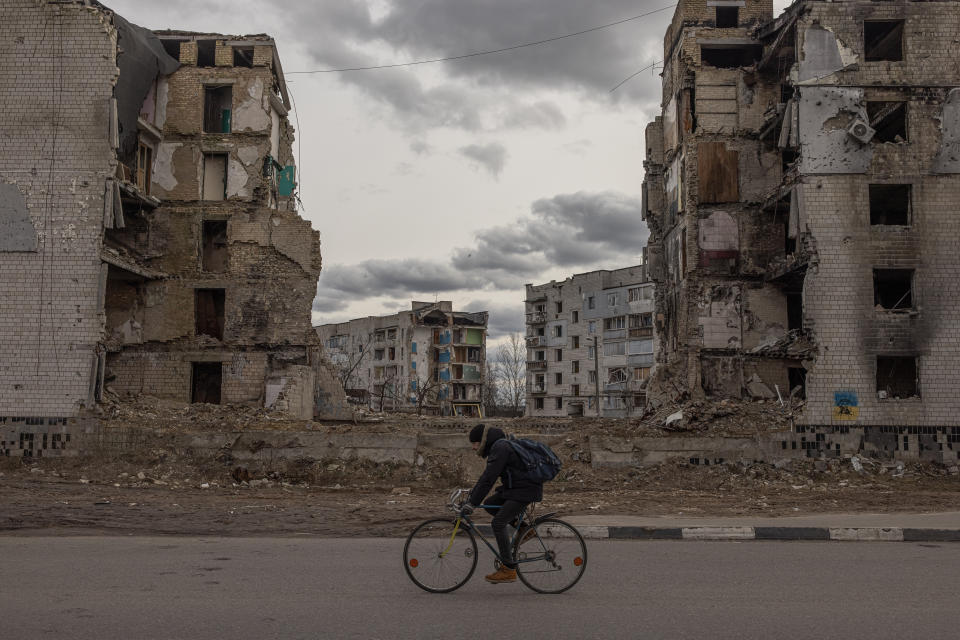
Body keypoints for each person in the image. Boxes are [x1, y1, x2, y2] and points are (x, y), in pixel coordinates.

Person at [460, 423, 543, 584]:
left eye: (474, 443)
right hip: (518, 488)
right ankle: (526, 529)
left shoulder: (500, 448)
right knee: (491, 503)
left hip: (524, 491)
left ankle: (508, 569)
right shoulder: (499, 446)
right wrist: (472, 498)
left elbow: (488, 479)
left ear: (482, 440)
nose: (473, 448)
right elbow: (486, 476)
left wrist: (472, 503)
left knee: (498, 523)